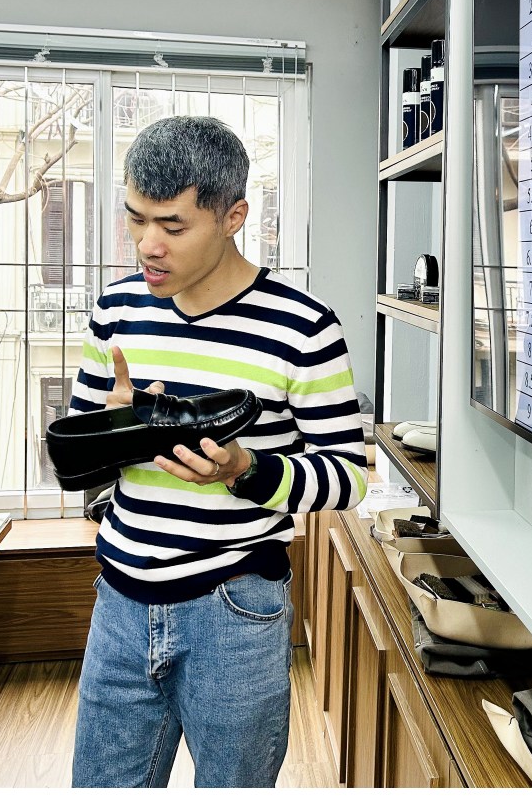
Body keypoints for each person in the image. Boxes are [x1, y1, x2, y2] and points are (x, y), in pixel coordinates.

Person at [69, 116, 367, 788]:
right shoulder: (116, 311)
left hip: (235, 610)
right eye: (135, 218)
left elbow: (347, 478)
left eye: (173, 227)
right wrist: (114, 430)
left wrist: (246, 469)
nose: (148, 245)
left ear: (234, 217)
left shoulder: (304, 328)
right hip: (119, 602)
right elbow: (79, 464)